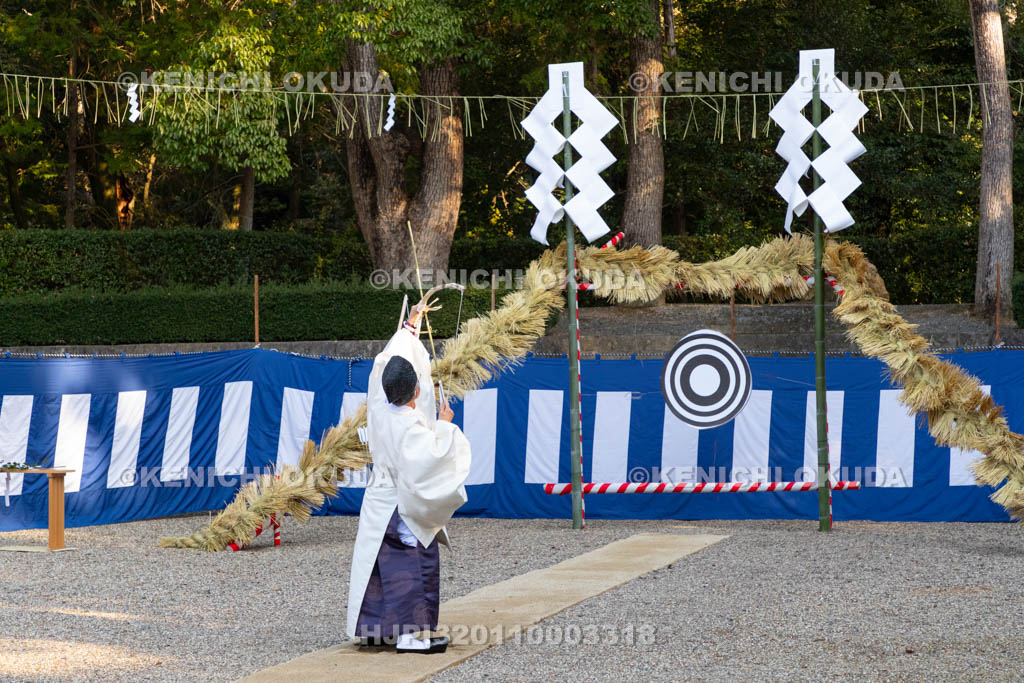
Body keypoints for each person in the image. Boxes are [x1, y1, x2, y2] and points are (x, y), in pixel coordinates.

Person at [346, 297, 472, 654]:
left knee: (378, 566)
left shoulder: (377, 405)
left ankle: (376, 630)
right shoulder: (411, 426)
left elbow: (385, 363)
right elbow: (432, 460)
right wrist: (444, 426)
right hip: (400, 506)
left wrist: (411, 324)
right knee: (410, 566)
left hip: (379, 501)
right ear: (417, 391)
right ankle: (409, 636)